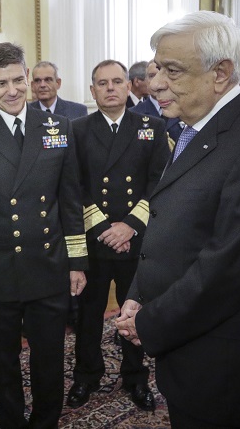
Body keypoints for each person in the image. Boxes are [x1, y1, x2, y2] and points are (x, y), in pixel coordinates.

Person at [116, 11, 240, 428]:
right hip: (189, 339)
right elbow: (172, 222)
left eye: (172, 70)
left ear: (220, 74)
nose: (155, 83)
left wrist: (150, 323)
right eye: (157, 68)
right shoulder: (190, 128)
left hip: (225, 354)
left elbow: (232, 264)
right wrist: (140, 293)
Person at [0, 42, 88, 428]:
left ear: (27, 76)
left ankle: (45, 421)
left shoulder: (58, 128)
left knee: (50, 357)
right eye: (0, 84)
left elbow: (70, 200)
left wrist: (77, 262)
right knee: (3, 360)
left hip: (48, 265)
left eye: (17, 80)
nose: (11, 91)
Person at [67, 60, 168, 411]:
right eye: (102, 83)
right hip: (94, 241)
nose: (110, 88)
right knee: (88, 315)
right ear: (92, 91)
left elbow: (159, 181)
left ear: (129, 86)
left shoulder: (152, 127)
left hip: (135, 240)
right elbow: (73, 185)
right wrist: (103, 228)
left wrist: (129, 225)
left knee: (133, 311)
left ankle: (135, 377)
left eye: (116, 81)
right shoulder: (77, 129)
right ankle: (86, 376)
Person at [129, 60, 184, 146]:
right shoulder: (132, 115)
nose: (157, 81)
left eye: (163, 75)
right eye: (152, 76)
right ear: (146, 81)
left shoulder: (185, 110)